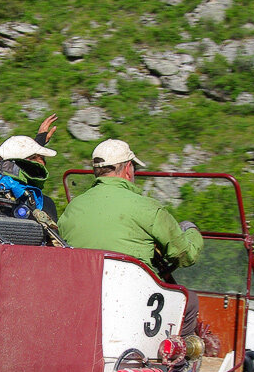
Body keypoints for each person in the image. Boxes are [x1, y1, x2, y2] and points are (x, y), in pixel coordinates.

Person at [59, 138, 203, 339]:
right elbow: (186, 255)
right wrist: (192, 231)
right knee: (190, 301)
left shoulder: (73, 208)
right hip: (132, 300)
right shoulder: (148, 208)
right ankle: (176, 366)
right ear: (128, 168)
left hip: (84, 299)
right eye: (133, 167)